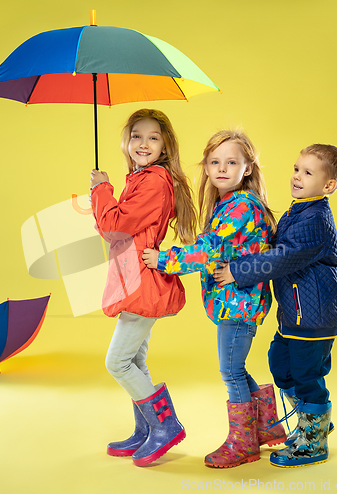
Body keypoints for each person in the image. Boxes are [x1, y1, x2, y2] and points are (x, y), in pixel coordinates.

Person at [143, 129, 286, 468]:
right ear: (206, 168)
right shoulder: (230, 204)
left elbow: (207, 250)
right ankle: (266, 427)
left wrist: (163, 260)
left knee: (231, 372)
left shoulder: (240, 207)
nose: (222, 168)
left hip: (238, 304)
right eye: (215, 162)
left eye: (231, 162)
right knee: (237, 368)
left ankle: (242, 444)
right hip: (236, 304)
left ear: (247, 168)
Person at [215, 144, 337, 468]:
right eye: (296, 169)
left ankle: (313, 439)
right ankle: (310, 418)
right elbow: (276, 243)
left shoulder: (316, 218)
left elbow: (283, 257)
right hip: (297, 313)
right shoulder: (298, 210)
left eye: (307, 173)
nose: (297, 177)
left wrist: (239, 270)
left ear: (328, 185)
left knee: (306, 375)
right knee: (279, 362)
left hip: (314, 317)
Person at [89, 109, 197, 467]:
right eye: (137, 136)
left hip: (141, 283)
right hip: (132, 275)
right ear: (126, 141)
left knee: (117, 362)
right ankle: (146, 430)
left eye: (153, 137)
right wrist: (107, 202)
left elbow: (113, 225)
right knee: (135, 360)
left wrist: (100, 189)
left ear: (165, 144)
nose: (144, 143)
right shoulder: (140, 179)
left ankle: (165, 426)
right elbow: (119, 226)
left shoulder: (152, 181)